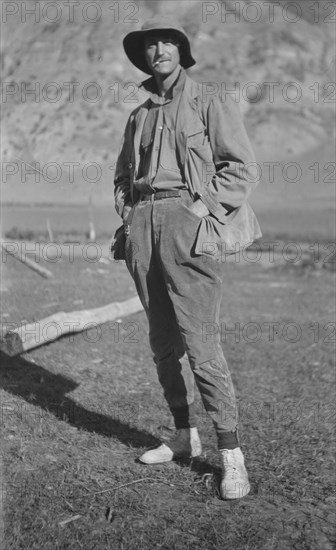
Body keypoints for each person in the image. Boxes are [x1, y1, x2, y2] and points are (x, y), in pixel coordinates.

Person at [113, 16, 261, 500]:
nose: (159, 49)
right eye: (150, 44)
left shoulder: (209, 101)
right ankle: (182, 435)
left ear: (181, 51)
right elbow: (121, 178)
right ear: (144, 57)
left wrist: (199, 209)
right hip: (143, 229)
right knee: (162, 342)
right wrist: (130, 212)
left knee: (201, 345)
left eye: (167, 42)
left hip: (186, 223)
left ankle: (231, 455)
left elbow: (240, 168)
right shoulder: (137, 116)